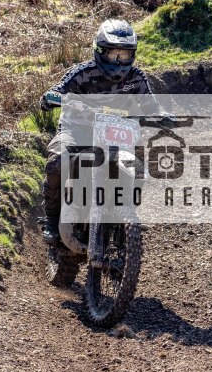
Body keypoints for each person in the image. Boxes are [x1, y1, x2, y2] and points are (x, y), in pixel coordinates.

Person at [39, 19, 153, 244]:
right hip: (77, 129)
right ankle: (51, 219)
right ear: (100, 51)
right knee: (57, 161)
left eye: (125, 55)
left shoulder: (136, 78)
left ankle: (125, 223)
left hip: (116, 135)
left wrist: (163, 117)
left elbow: (151, 105)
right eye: (113, 54)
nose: (119, 61)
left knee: (139, 170)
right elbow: (57, 90)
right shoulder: (82, 73)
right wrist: (51, 98)